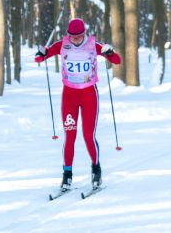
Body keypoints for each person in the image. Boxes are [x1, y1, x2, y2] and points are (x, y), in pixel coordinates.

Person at [35, 18, 123, 191]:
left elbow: (117, 60)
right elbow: (40, 58)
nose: (75, 40)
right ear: (68, 35)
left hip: (89, 94)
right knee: (70, 136)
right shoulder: (62, 45)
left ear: (84, 34)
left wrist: (110, 52)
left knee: (88, 135)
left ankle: (96, 169)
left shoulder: (93, 44)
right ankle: (67, 175)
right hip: (69, 95)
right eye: (72, 37)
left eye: (79, 36)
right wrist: (41, 53)